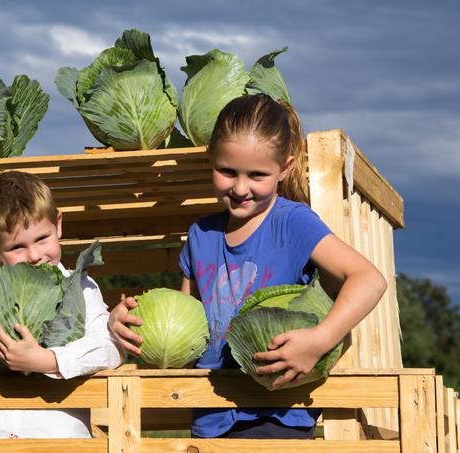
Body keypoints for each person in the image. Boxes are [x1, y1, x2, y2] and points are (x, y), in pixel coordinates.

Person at [108, 93, 387, 439]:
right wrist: (128, 327)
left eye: (257, 175)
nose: (241, 188)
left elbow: (369, 279)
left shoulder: (292, 222)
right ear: (211, 159)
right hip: (209, 415)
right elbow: (190, 327)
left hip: (278, 414)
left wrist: (319, 339)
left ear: (284, 168)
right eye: (227, 171)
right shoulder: (201, 235)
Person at [0, 170, 123, 439]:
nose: (35, 255)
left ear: (58, 224)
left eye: (42, 239)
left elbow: (110, 349)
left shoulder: (80, 288)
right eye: (17, 248)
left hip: (56, 437)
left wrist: (47, 360)